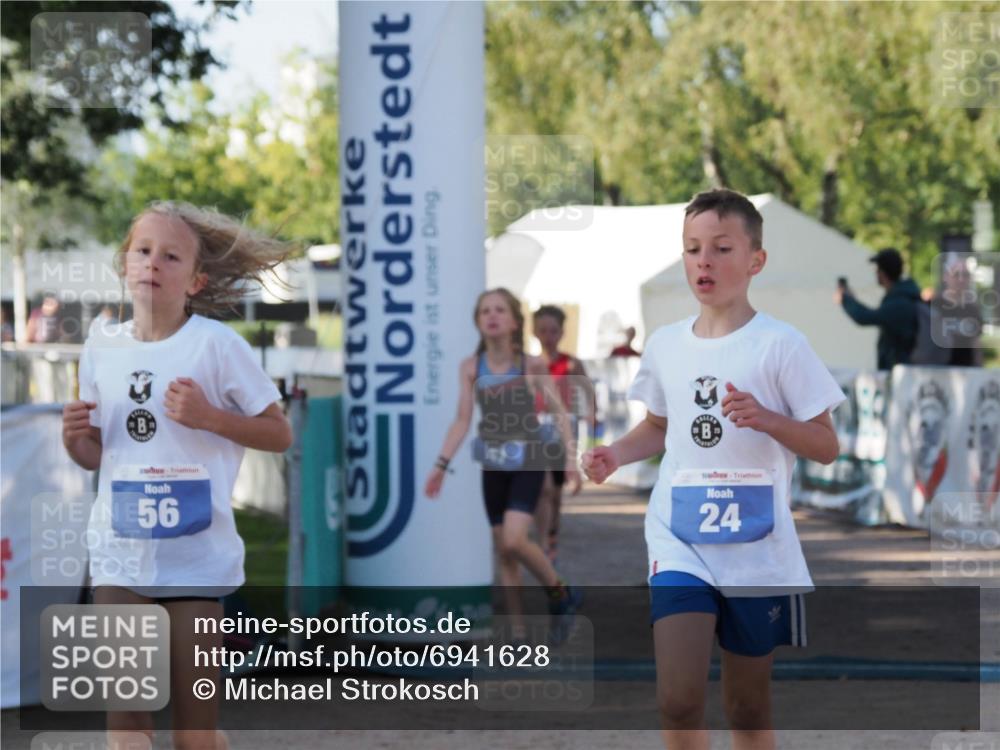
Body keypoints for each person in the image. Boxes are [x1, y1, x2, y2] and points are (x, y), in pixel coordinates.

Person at [582, 188, 843, 750]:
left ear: (755, 260)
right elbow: (657, 425)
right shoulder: (666, 344)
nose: (704, 260)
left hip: (756, 549)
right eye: (693, 248)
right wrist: (615, 454)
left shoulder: (782, 345)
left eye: (721, 248)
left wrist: (769, 419)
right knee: (678, 701)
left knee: (747, 711)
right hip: (680, 541)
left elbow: (826, 445)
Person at [62, 201, 294, 750]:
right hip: (119, 553)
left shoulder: (216, 346)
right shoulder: (100, 346)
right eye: (142, 251)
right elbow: (100, 455)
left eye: (170, 256)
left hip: (196, 558)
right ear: (125, 264)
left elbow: (280, 433)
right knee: (129, 731)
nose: (152, 264)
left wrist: (210, 417)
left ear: (195, 280)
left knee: (195, 734)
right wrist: (75, 440)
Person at [425, 288, 583, 644]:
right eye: (485, 311)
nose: (492, 316)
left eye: (499, 310)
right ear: (478, 322)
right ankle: (518, 636)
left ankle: (561, 592)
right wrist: (441, 464)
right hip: (492, 467)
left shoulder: (531, 365)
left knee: (515, 538)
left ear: (514, 321)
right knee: (505, 551)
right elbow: (462, 420)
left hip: (529, 460)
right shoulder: (470, 367)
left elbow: (559, 413)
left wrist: (570, 460)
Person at [531, 305, 589, 563]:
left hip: (562, 428)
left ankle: (551, 532)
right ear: (534, 331)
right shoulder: (530, 364)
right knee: (541, 488)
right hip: (535, 429)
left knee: (554, 491)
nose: (548, 336)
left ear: (562, 332)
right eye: (543, 330)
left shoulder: (572, 363)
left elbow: (587, 393)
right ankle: (541, 536)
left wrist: (590, 415)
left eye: (553, 330)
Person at [836, 247, 921, 370]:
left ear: (882, 272)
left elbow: (865, 317)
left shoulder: (900, 302)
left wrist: (846, 299)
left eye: (877, 270)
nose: (876, 273)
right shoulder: (904, 296)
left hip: (900, 371)